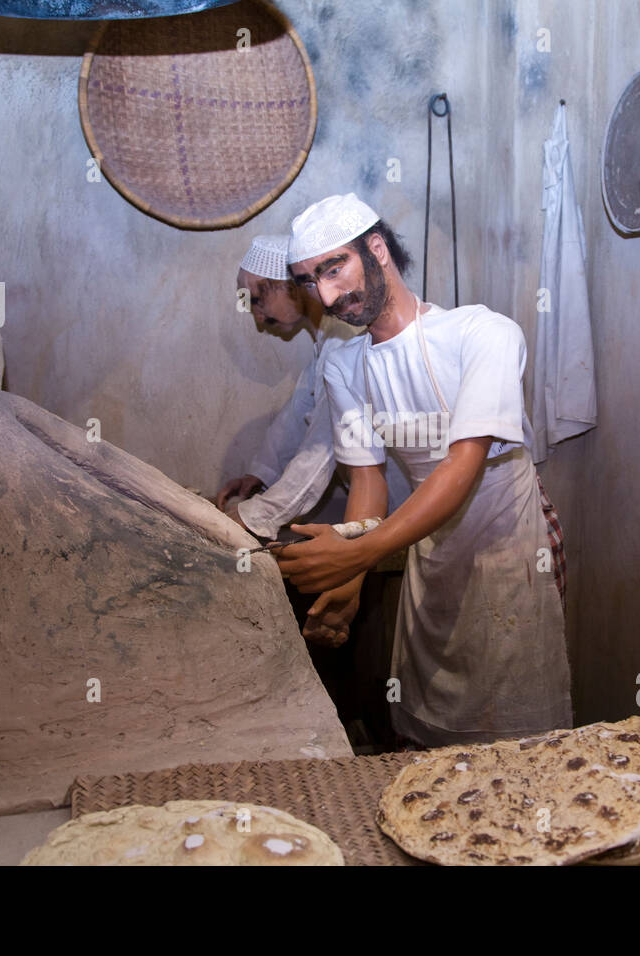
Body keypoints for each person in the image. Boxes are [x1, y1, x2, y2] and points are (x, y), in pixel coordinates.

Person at [275, 193, 571, 747]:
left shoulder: (483, 334)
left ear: (378, 249)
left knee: (521, 738)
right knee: (432, 733)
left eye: (334, 268)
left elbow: (464, 463)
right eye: (310, 281)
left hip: (510, 545)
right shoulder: (344, 364)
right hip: (427, 549)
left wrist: (360, 553)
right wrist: (352, 583)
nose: (328, 295)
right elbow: (367, 480)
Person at [218, 234, 409, 645]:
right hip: (378, 501)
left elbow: (323, 447)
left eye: (257, 299)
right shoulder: (329, 337)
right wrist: (260, 472)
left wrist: (256, 517)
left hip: (403, 502)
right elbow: (299, 412)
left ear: (288, 286)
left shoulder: (347, 333)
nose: (257, 317)